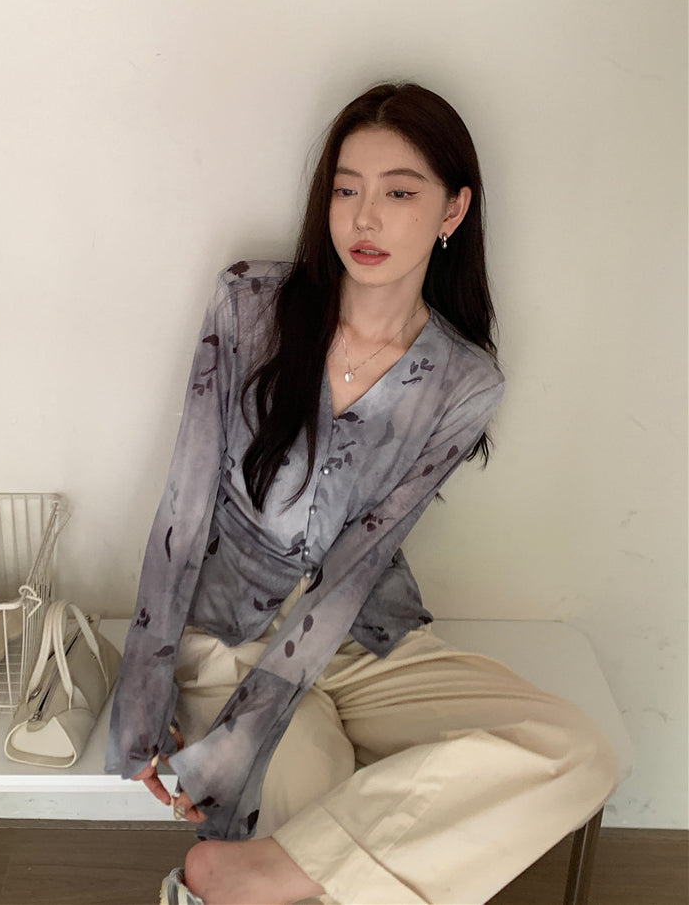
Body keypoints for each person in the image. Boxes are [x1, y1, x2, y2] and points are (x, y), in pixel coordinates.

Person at [105, 82, 618, 905]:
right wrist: (145, 689)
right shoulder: (250, 304)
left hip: (365, 638)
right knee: (318, 808)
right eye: (347, 190)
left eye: (400, 193)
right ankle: (243, 877)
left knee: (577, 751)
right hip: (231, 642)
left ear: (454, 211)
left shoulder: (463, 382)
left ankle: (226, 879)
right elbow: (184, 512)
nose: (365, 218)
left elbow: (357, 567)